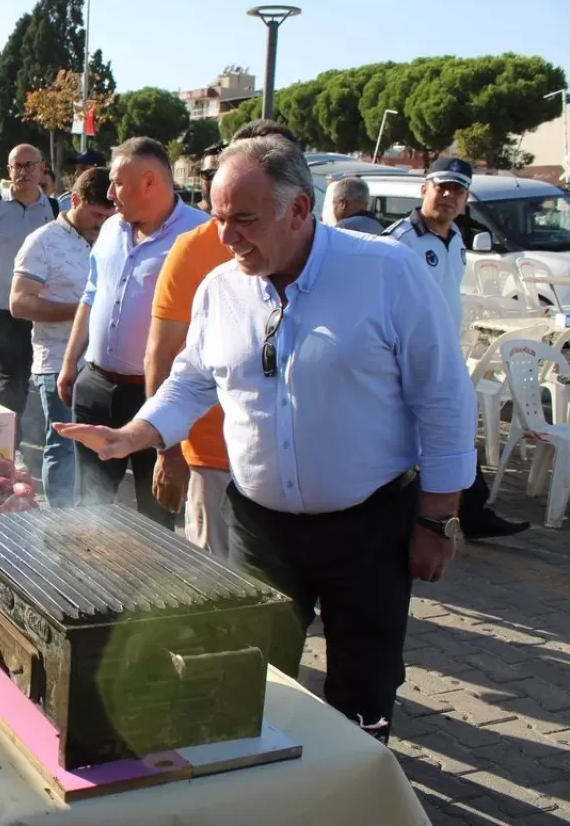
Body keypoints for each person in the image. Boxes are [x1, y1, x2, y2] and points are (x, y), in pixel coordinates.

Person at [57, 135, 476, 745]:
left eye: (244, 219)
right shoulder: (220, 288)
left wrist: (438, 519)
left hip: (369, 529)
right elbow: (191, 381)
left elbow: (444, 397)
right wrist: (134, 435)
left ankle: (354, 783)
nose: (226, 237)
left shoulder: (387, 272)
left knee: (363, 686)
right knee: (251, 679)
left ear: (299, 209)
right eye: (218, 217)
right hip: (259, 529)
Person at [148, 119, 300, 559]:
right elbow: (165, 357)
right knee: (216, 582)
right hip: (215, 461)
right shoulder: (196, 250)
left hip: (303, 474)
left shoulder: (341, 260)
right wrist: (166, 448)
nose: (230, 235)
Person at [56, 137, 207, 526]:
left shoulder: (200, 236)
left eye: (118, 183)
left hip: (157, 398)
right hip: (95, 386)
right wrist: (71, 362)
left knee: (155, 513)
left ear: (149, 182)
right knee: (89, 505)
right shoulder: (111, 229)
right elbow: (92, 294)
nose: (109, 193)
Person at [386, 157, 529, 539]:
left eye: (458, 190)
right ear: (424, 189)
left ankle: (471, 512)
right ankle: (445, 517)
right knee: (426, 439)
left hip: (444, 354)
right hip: (409, 360)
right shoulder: (400, 241)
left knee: (455, 430)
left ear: (466, 198)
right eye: (442, 187)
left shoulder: (456, 239)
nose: (448, 196)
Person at [11, 167, 115, 507]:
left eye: (109, 216)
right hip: (57, 362)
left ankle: (93, 519)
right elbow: (19, 303)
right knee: (64, 446)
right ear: (75, 200)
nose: (102, 223)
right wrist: (84, 310)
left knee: (100, 447)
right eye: (96, 215)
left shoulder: (112, 238)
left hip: (105, 367)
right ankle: (60, 522)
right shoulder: (43, 242)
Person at [0, 144, 58, 443]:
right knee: (10, 377)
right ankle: (6, 443)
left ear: (41, 168)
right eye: (17, 166)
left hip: (39, 308)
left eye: (29, 165)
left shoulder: (54, 210)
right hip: (0, 306)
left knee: (27, 376)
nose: (24, 172)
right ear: (9, 170)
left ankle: (2, 437)